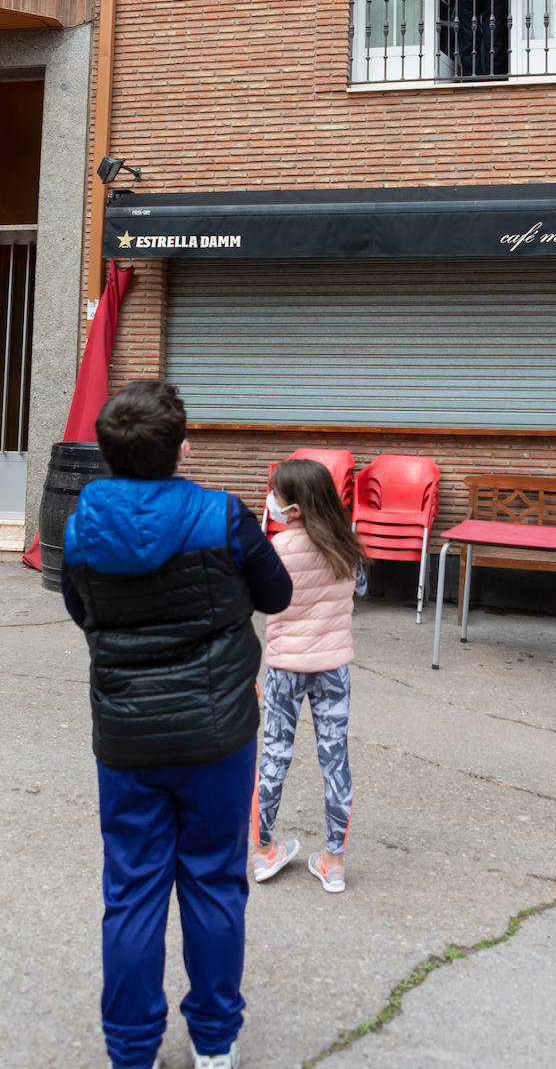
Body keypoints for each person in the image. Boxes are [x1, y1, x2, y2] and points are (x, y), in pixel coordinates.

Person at [61, 379, 292, 1069]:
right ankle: (214, 1045)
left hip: (127, 735)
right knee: (215, 880)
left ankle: (131, 1052)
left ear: (107, 452)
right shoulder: (222, 515)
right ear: (181, 448)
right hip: (218, 732)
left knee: (131, 888)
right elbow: (275, 594)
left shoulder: (80, 526)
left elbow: (84, 612)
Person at [252, 457, 364, 895]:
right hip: (334, 668)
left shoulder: (275, 551)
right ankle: (333, 862)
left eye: (277, 496)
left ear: (294, 509)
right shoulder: (348, 546)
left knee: (274, 756)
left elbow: (263, 599)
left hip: (284, 668)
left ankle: (263, 852)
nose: (272, 502)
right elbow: (361, 590)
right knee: (335, 760)